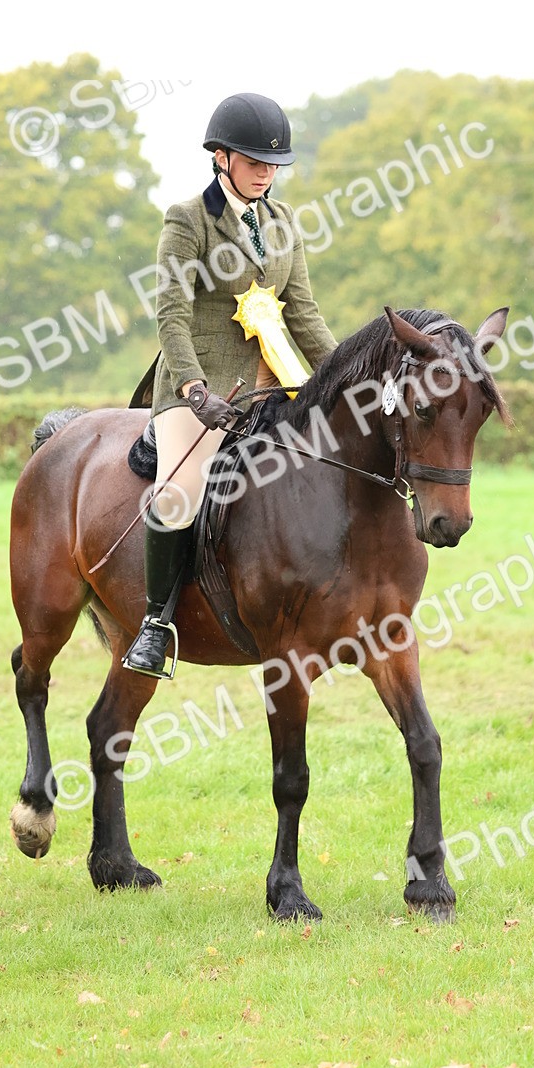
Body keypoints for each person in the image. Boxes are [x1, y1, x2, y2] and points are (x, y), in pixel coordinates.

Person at [123, 93, 338, 677]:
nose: (267, 172)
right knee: (177, 495)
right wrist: (194, 389)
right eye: (253, 161)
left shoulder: (284, 222)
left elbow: (304, 313)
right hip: (202, 390)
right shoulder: (187, 220)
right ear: (221, 157)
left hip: (274, 386)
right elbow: (171, 313)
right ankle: (155, 624)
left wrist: (343, 374)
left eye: (274, 164)